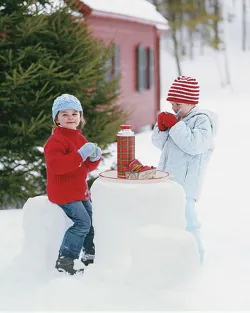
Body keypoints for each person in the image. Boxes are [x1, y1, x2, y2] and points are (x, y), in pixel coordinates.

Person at [152, 76, 218, 263]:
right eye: (172, 103)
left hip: (186, 185)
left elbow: (194, 145)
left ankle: (197, 259)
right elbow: (158, 144)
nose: (174, 107)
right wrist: (162, 128)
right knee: (169, 221)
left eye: (177, 103)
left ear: (190, 102)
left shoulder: (203, 121)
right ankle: (174, 259)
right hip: (169, 181)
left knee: (189, 224)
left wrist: (175, 125)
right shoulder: (177, 119)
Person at [44, 94, 102, 275]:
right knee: (82, 222)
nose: (70, 118)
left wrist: (94, 158)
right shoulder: (55, 141)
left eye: (74, 114)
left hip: (79, 190)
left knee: (92, 220)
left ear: (80, 117)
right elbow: (58, 166)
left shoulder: (79, 137)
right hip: (63, 192)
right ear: (57, 119)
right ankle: (65, 260)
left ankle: (89, 255)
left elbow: (86, 166)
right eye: (64, 114)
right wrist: (80, 154)